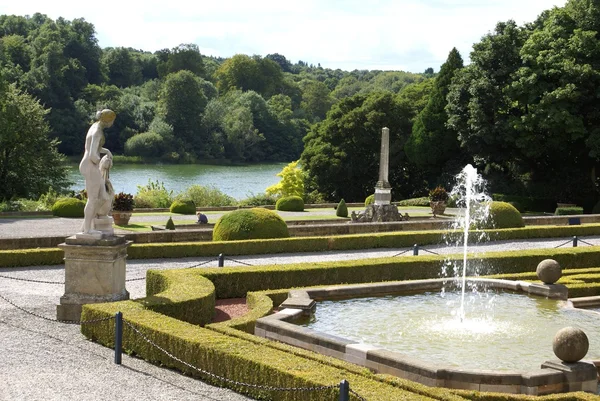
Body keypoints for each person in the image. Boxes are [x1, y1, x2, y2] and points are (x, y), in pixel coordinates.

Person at [79, 109, 116, 234]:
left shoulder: (94, 126)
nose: (113, 123)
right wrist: (103, 162)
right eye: (112, 121)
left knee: (103, 196)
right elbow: (93, 155)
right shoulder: (98, 132)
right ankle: (87, 230)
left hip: (88, 165)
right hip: (90, 165)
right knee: (93, 199)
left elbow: (95, 147)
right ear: (108, 120)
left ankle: (86, 227)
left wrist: (107, 151)